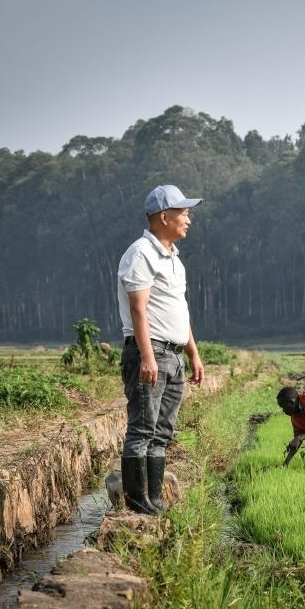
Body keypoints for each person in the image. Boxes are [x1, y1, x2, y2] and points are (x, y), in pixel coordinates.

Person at [117, 185, 205, 515]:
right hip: (150, 352)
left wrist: (193, 352)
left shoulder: (173, 259)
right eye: (183, 213)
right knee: (142, 428)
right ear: (164, 216)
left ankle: (154, 499)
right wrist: (148, 357)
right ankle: (137, 501)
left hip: (174, 353)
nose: (188, 219)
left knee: (162, 432)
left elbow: (177, 309)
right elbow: (139, 309)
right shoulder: (141, 253)